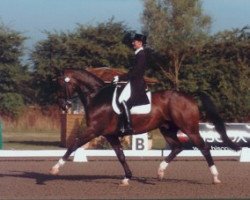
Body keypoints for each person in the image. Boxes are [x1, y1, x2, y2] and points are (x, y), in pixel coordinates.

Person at [114, 33, 149, 134]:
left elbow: (136, 71)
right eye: (133, 41)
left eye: (135, 41)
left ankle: (128, 126)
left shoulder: (141, 55)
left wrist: (120, 77)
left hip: (136, 83)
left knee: (123, 100)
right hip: (133, 81)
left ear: (140, 43)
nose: (133, 43)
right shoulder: (138, 54)